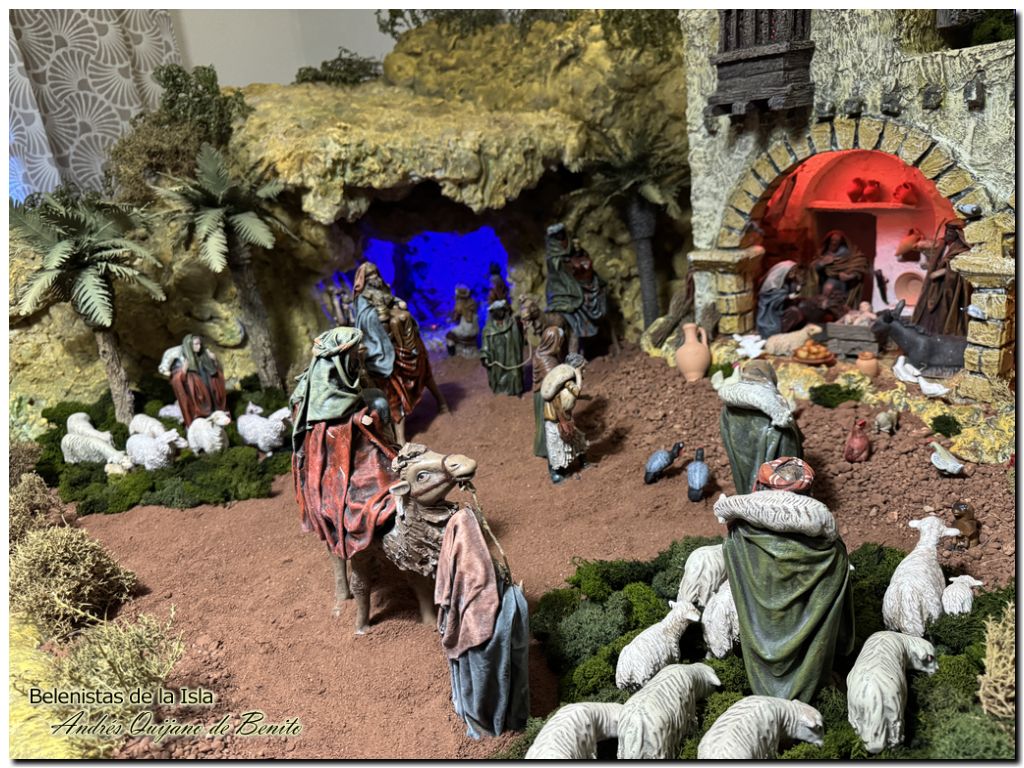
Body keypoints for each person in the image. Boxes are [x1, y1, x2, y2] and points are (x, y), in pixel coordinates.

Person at [723, 457, 855, 702]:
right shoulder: (830, 551)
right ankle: (810, 683)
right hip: (810, 637)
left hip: (761, 629)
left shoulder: (738, 537)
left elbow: (738, 581)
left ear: (759, 488)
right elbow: (835, 598)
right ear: (809, 494)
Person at [352, 262, 449, 444]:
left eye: (375, 273)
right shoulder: (362, 298)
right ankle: (400, 437)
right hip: (382, 349)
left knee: (424, 374)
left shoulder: (383, 288)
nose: (374, 277)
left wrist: (396, 303)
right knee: (394, 394)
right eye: (370, 275)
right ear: (364, 280)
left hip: (403, 343)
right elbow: (364, 319)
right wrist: (379, 314)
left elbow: (392, 300)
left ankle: (441, 401)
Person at [717, 359, 803, 493]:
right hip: (772, 468)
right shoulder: (776, 409)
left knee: (744, 479)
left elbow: (726, 434)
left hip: (742, 458)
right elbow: (788, 446)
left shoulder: (727, 410)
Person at [544, 223, 610, 356]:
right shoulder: (554, 259)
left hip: (578, 284)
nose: (562, 240)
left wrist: (581, 261)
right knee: (573, 312)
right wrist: (573, 264)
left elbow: (583, 265)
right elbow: (563, 271)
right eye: (557, 237)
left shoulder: (574, 251)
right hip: (562, 291)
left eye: (562, 236)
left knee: (597, 289)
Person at [521, 298, 568, 459]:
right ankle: (550, 451)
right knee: (550, 425)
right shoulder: (548, 362)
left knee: (544, 425)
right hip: (547, 398)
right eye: (559, 342)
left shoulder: (541, 352)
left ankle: (544, 447)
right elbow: (554, 386)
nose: (560, 346)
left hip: (540, 395)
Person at [911, 219, 972, 337]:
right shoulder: (943, 245)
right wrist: (931, 266)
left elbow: (960, 267)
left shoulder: (963, 249)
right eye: (946, 231)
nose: (947, 234)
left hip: (950, 288)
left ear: (958, 233)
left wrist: (943, 272)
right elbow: (938, 260)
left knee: (943, 313)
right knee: (928, 312)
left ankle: (941, 336)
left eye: (950, 232)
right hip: (935, 286)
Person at [540, 354, 588, 483]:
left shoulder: (567, 382)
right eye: (582, 368)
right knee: (555, 445)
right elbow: (576, 392)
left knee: (577, 440)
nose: (584, 371)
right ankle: (555, 473)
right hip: (555, 420)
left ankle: (583, 461)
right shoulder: (567, 383)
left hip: (565, 417)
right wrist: (578, 374)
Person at [167, 334, 228, 428]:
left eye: (200, 344)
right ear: (189, 345)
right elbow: (175, 380)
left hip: (209, 389)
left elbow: (216, 373)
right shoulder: (181, 361)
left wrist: (214, 361)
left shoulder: (204, 357)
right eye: (196, 344)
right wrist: (183, 371)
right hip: (196, 395)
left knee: (213, 407)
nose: (199, 346)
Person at [812, 230, 869, 313]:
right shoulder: (823, 253)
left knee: (829, 287)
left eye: (837, 241)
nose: (834, 243)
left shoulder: (847, 254)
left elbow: (860, 263)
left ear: (841, 242)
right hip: (824, 282)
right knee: (826, 289)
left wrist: (849, 276)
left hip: (841, 283)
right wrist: (822, 263)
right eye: (832, 240)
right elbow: (812, 270)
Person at [480, 300, 525, 396]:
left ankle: (515, 390)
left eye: (500, 310)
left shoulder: (512, 324)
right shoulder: (488, 330)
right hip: (497, 358)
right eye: (496, 311)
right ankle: (500, 391)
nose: (499, 313)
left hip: (511, 355)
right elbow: (485, 345)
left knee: (514, 372)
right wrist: (485, 357)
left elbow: (519, 339)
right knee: (499, 375)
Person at [755, 260, 803, 338]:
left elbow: (792, 290)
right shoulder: (772, 283)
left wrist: (797, 289)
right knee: (794, 312)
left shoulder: (788, 280)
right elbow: (771, 300)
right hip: (771, 314)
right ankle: (779, 333)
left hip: (782, 309)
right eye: (792, 271)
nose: (794, 274)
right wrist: (787, 297)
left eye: (795, 271)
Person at [445, 285, 480, 357]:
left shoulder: (460, 303)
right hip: (475, 328)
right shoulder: (473, 302)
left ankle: (452, 355)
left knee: (449, 335)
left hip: (466, 329)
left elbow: (455, 317)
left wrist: (451, 317)